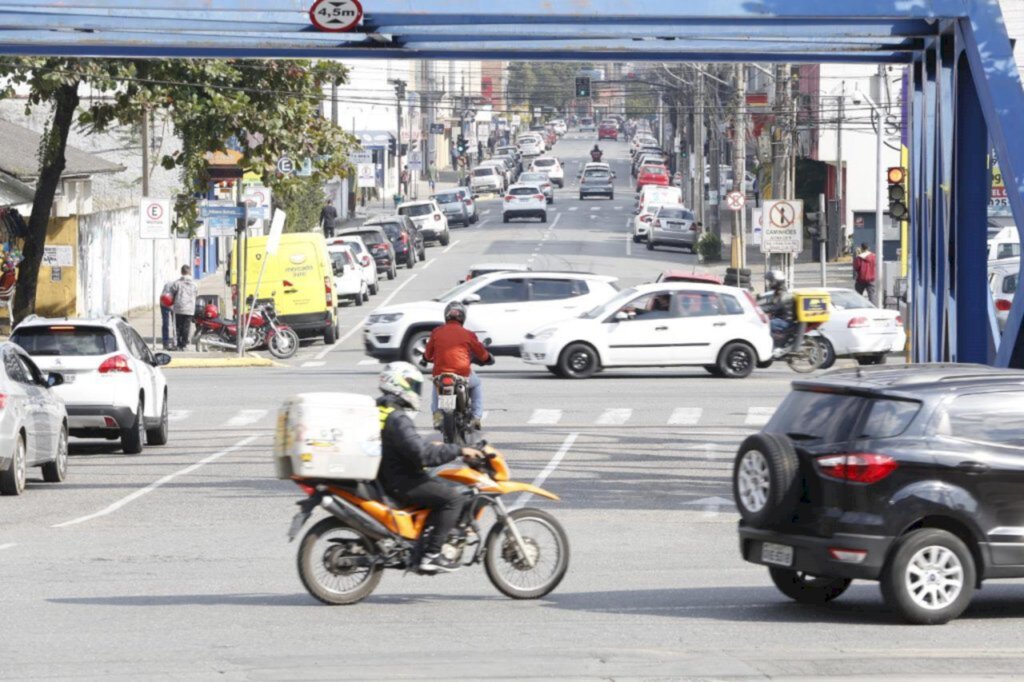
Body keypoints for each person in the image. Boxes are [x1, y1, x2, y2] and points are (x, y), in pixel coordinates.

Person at [376, 362, 483, 573]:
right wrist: (458, 451)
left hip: (387, 473)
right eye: (411, 386)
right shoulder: (398, 418)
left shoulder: (382, 410)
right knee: (454, 498)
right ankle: (432, 554)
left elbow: (407, 445)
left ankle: (425, 539)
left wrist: (433, 446)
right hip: (401, 479)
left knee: (438, 484)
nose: (414, 392)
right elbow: (422, 456)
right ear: (397, 385)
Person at [424, 301, 492, 430]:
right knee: (476, 384)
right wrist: (488, 358)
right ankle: (476, 417)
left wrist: (426, 358)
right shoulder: (468, 334)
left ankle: (437, 417)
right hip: (462, 374)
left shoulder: (436, 332)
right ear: (463, 317)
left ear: (446, 316)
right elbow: (482, 354)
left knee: (436, 387)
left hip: (440, 374)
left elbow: (427, 355)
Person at [763, 270, 796, 353]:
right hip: (782, 318)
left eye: (771, 281)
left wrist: (760, 309)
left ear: (776, 281)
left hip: (785, 321)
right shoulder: (778, 292)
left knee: (765, 324)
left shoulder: (783, 294)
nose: (769, 283)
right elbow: (772, 304)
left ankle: (777, 346)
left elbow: (775, 307)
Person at [169, 265, 198, 351]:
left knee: (178, 327)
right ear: (189, 272)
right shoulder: (194, 284)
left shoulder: (177, 283)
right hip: (189, 309)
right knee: (186, 327)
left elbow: (171, 294)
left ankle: (178, 344)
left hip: (179, 308)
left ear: (182, 272)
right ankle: (184, 345)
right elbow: (196, 294)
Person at [159, 278, 177, 351]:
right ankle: (169, 342)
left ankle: (167, 342)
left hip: (166, 302)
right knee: (172, 323)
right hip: (166, 302)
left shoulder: (173, 284)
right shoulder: (177, 285)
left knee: (167, 323)